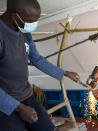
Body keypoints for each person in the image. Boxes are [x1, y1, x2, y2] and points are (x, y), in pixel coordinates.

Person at [0, 0, 80, 131]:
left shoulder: (24, 31)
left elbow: (36, 58)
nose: (33, 25)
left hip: (25, 95)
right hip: (4, 104)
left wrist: (64, 72)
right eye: (30, 21)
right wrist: (20, 108)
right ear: (15, 17)